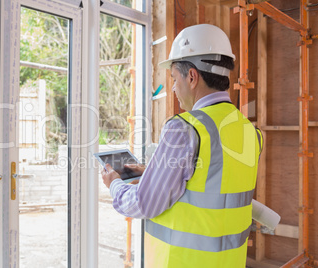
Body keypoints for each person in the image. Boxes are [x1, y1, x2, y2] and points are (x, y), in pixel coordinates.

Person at [101, 24, 263, 268]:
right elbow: (211, 185)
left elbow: (145, 203)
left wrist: (114, 184)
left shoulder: (185, 128)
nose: (174, 88)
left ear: (192, 76)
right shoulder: (250, 131)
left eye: (174, 79)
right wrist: (154, 173)